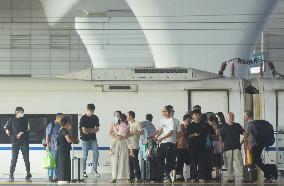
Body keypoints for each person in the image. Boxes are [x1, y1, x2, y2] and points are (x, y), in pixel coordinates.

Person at [4, 107, 32, 182]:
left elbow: (29, 130)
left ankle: (28, 174)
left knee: (26, 158)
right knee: (14, 158)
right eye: (21, 112)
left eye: (23, 112)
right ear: (16, 112)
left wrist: (22, 132)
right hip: (15, 142)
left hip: (24, 141)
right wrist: (7, 131)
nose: (22, 113)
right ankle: (11, 174)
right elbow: (5, 127)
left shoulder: (26, 120)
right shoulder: (11, 120)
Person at [186, 109, 214, 183]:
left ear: (200, 115)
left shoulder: (205, 124)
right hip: (192, 147)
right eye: (195, 115)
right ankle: (193, 177)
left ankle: (201, 176)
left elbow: (213, 134)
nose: (197, 116)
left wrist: (210, 136)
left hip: (203, 147)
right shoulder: (190, 125)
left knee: (202, 162)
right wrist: (194, 134)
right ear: (192, 116)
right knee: (193, 163)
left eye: (198, 115)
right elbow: (187, 136)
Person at [244, 110, 271, 181]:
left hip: (256, 146)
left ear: (247, 116)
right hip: (260, 144)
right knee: (254, 161)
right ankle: (251, 177)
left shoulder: (250, 124)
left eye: (244, 116)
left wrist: (240, 143)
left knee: (257, 161)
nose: (244, 117)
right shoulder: (256, 123)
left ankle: (268, 174)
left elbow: (246, 135)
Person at [221, 112, 246, 183]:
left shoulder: (237, 125)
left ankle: (244, 177)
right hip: (227, 148)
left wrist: (242, 142)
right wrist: (221, 147)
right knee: (229, 164)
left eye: (232, 117)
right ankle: (231, 178)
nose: (231, 118)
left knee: (240, 163)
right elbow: (221, 137)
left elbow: (244, 133)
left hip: (236, 148)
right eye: (230, 117)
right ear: (227, 118)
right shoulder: (224, 126)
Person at [155, 105, 177, 183]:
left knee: (168, 160)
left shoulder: (171, 120)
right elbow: (161, 129)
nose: (162, 112)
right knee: (158, 159)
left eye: (163, 111)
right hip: (163, 142)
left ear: (167, 112)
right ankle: (169, 172)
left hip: (169, 142)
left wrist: (161, 138)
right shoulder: (162, 119)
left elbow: (171, 132)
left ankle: (168, 176)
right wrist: (156, 136)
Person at [79, 103, 100, 178]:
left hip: (93, 139)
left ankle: (94, 170)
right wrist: (92, 130)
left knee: (96, 154)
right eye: (90, 111)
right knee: (85, 156)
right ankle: (83, 171)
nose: (91, 112)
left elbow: (97, 129)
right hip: (85, 139)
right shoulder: (83, 118)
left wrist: (90, 130)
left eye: (92, 111)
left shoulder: (95, 118)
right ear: (87, 110)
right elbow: (84, 131)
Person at [109, 111, 130, 183]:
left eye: (116, 115)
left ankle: (126, 176)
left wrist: (124, 137)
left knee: (124, 159)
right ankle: (114, 177)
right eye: (114, 115)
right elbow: (110, 133)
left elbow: (129, 133)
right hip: (115, 143)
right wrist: (116, 137)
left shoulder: (126, 123)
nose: (115, 116)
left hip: (124, 142)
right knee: (114, 160)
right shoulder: (113, 124)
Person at [57, 117, 78, 183]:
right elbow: (68, 140)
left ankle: (64, 178)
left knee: (64, 163)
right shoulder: (64, 130)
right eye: (68, 123)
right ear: (67, 123)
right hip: (64, 150)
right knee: (64, 164)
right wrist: (74, 140)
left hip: (62, 150)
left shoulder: (62, 130)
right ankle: (64, 179)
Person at [45, 113, 64, 183]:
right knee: (51, 162)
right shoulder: (51, 125)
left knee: (57, 162)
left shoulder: (60, 126)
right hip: (52, 147)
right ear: (58, 118)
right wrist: (47, 146)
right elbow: (47, 135)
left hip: (58, 147)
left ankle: (56, 176)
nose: (62, 120)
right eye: (62, 118)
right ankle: (50, 176)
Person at [127, 111, 144, 183]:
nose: (126, 117)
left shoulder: (137, 123)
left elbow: (141, 132)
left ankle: (139, 177)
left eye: (127, 115)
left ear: (130, 116)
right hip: (128, 146)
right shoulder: (127, 124)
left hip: (134, 146)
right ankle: (131, 177)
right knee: (129, 162)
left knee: (135, 162)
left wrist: (134, 132)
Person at [175, 114, 191, 181]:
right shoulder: (180, 127)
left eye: (190, 120)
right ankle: (180, 176)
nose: (189, 122)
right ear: (184, 120)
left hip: (188, 147)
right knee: (179, 162)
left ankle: (188, 176)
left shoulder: (191, 127)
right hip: (180, 147)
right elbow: (178, 136)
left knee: (188, 162)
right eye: (188, 121)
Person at [208, 115, 222, 181]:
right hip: (217, 145)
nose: (209, 123)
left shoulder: (216, 127)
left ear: (213, 121)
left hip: (216, 145)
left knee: (216, 160)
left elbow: (216, 137)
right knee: (217, 160)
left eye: (210, 122)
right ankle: (218, 175)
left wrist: (209, 135)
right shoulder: (217, 126)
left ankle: (217, 175)